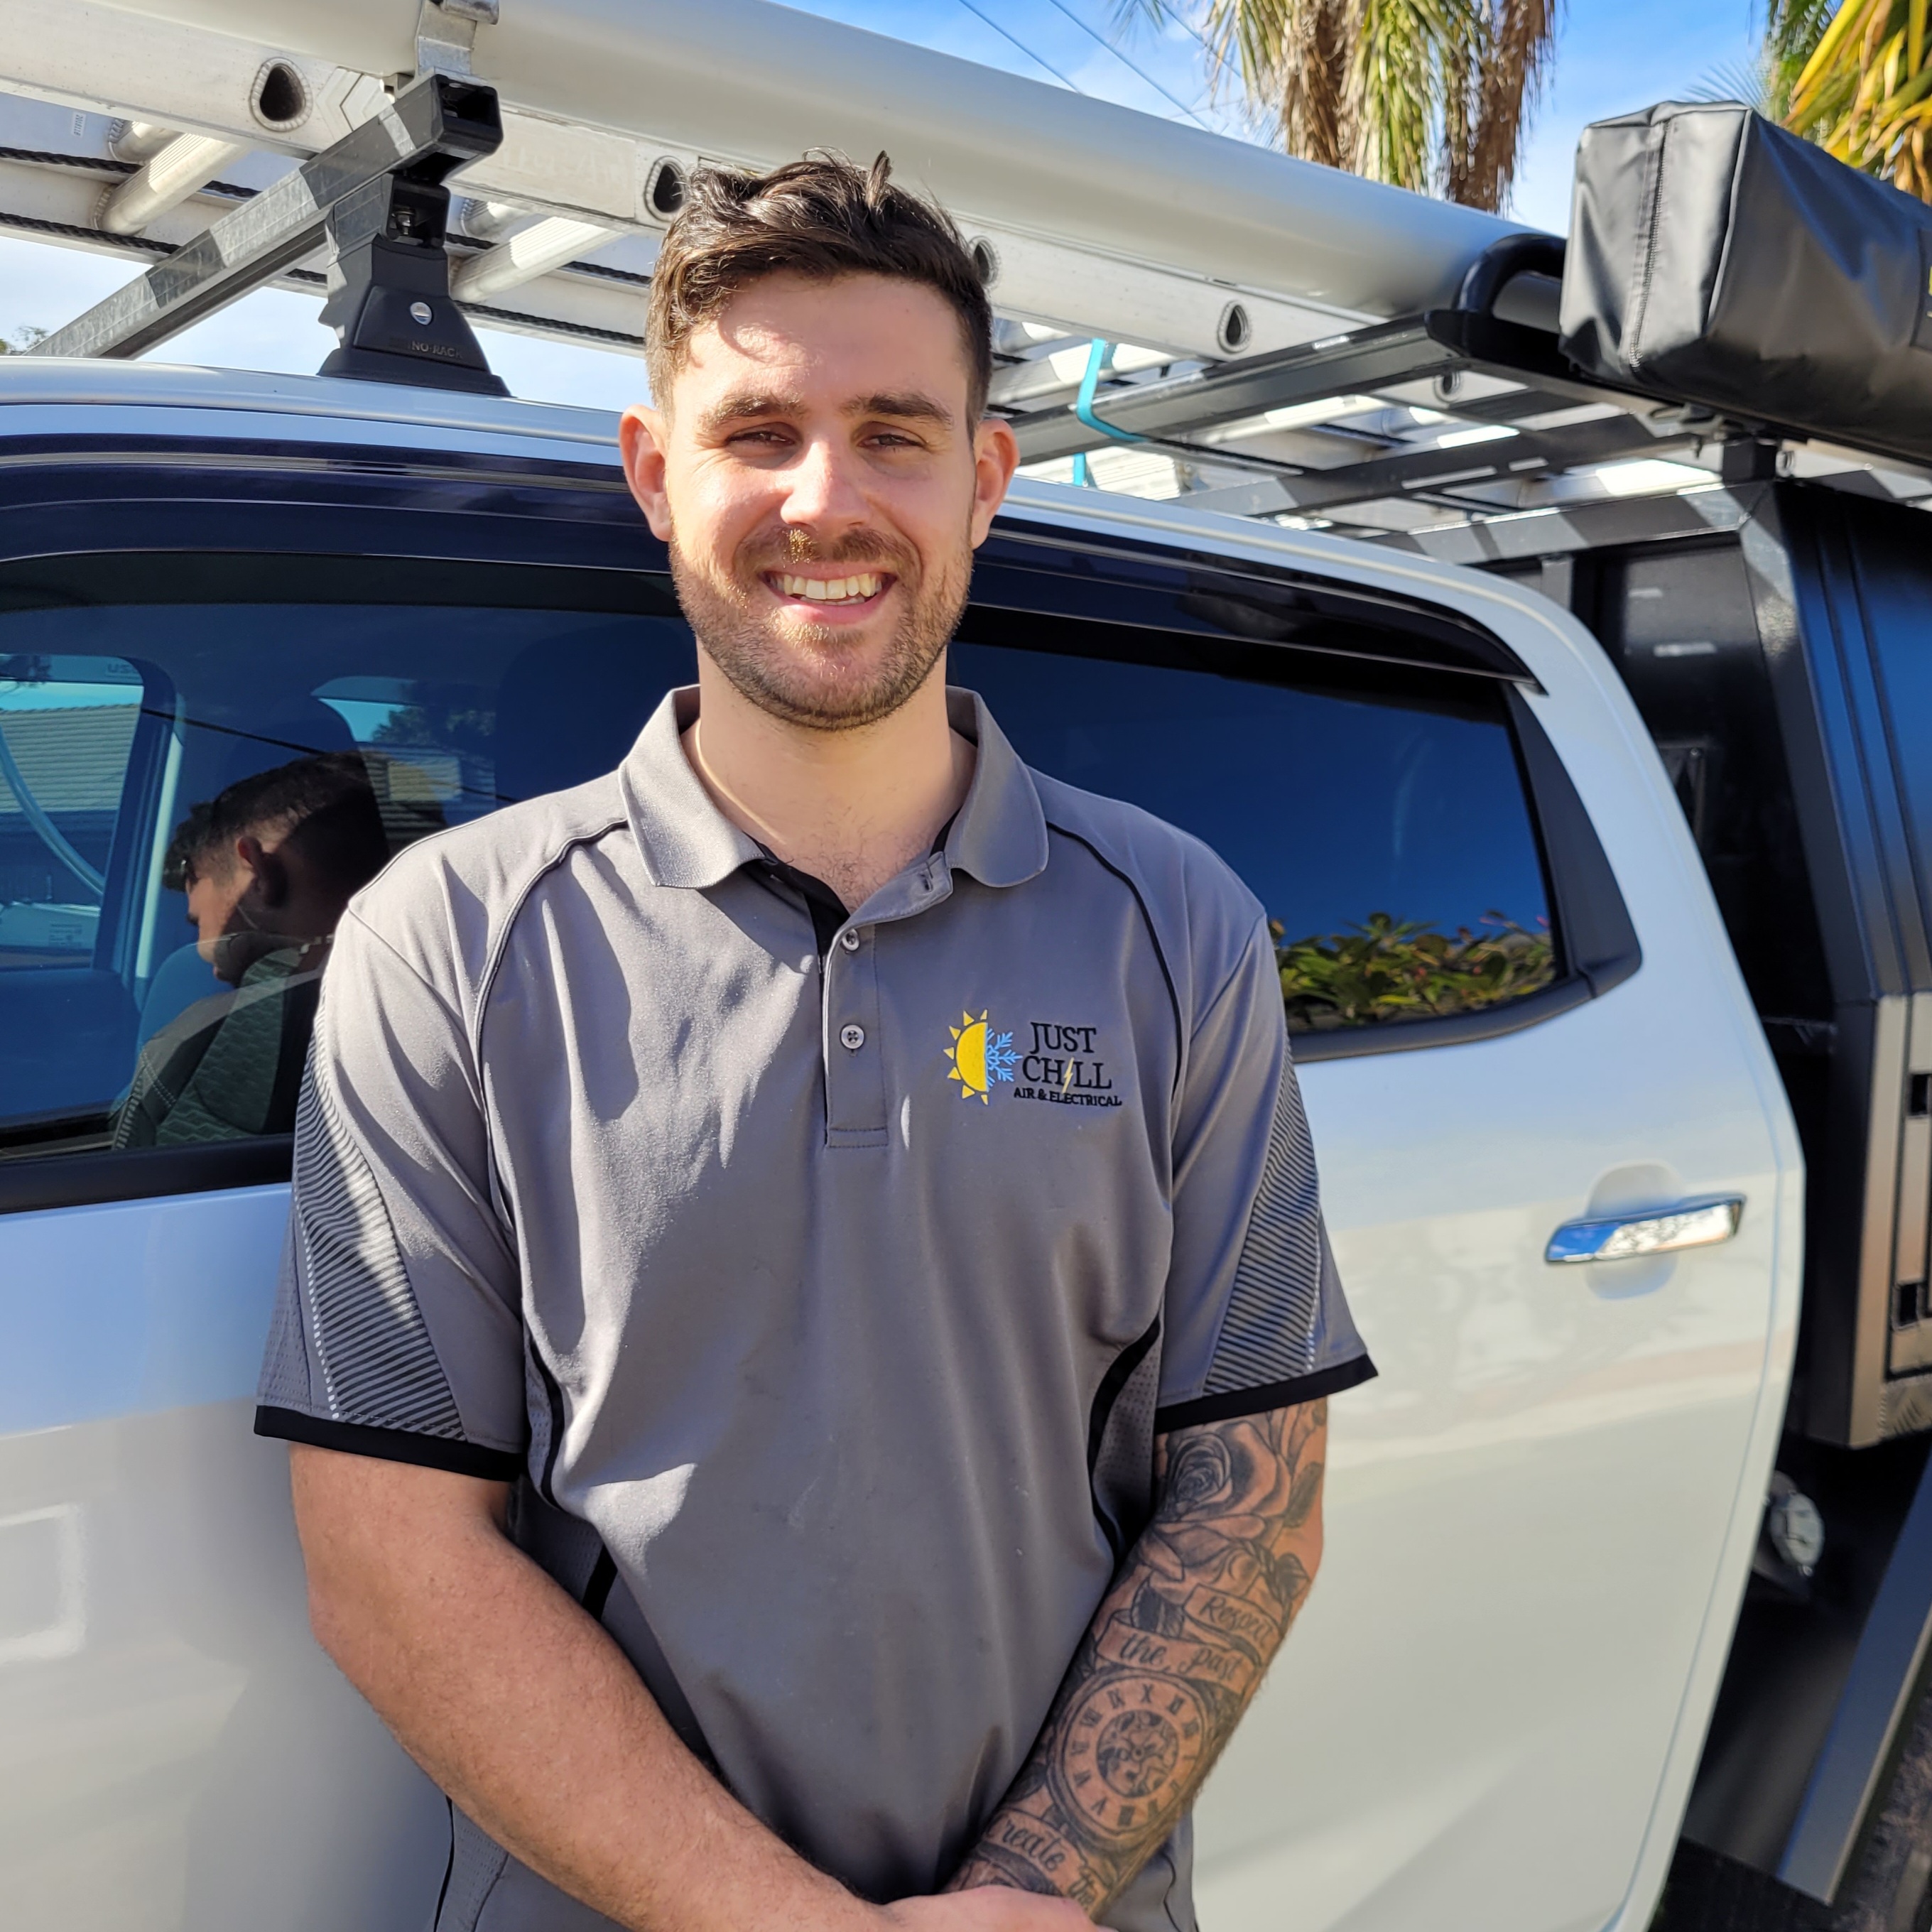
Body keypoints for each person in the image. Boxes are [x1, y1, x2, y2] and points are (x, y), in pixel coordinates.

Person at [255, 153, 1375, 1932]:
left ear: (987, 476)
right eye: (756, 430)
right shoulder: (447, 942)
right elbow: (390, 1556)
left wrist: (1028, 1889)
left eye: (895, 431)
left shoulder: (1178, 925)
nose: (824, 497)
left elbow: (1250, 1487)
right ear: (652, 475)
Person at [115, 751, 390, 1148]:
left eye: (200, 924)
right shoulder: (482, 998)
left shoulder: (193, 1050)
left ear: (257, 871)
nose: (213, 970)